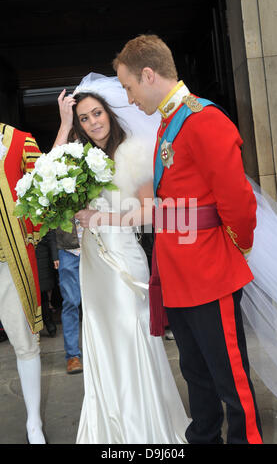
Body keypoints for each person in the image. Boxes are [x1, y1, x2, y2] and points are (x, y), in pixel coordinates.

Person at [113, 34, 263, 445]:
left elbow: (237, 201)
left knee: (231, 381)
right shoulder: (168, 121)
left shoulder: (204, 118)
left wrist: (238, 248)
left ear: (148, 74)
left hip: (210, 271)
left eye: (128, 87)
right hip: (179, 277)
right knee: (197, 380)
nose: (127, 98)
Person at [54, 74, 190, 444]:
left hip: (123, 259)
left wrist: (102, 218)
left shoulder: (131, 150)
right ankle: (109, 430)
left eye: (97, 113)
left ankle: (144, 429)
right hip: (93, 264)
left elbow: (150, 211)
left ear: (109, 113)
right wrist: (64, 126)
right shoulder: (80, 157)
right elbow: (48, 181)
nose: (92, 122)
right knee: (102, 339)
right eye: (84, 118)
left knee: (131, 338)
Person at [0, 122, 46, 444]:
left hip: (9, 262)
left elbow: (42, 193)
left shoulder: (19, 141)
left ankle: (34, 423)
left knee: (25, 344)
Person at [55, 221, 83, 374]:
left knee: (99, 301)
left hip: (96, 247)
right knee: (71, 302)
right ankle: (72, 356)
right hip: (67, 250)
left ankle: (102, 350)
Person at [36, 230, 58, 337]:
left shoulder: (42, 213)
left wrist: (55, 256)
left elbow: (50, 235)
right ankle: (34, 327)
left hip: (41, 253)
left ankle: (48, 320)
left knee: (41, 289)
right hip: (22, 254)